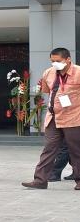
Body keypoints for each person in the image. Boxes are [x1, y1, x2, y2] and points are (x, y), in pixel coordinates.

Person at [22, 48, 80, 190]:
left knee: (76, 150)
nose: (55, 64)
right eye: (52, 61)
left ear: (68, 59)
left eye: (58, 61)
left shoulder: (78, 72)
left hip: (73, 117)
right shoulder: (49, 72)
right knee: (49, 149)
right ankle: (40, 180)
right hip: (53, 117)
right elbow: (47, 91)